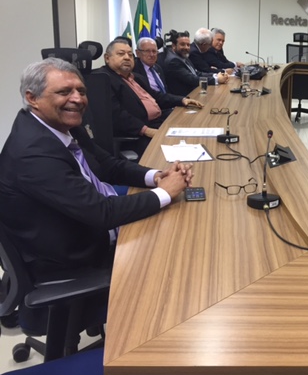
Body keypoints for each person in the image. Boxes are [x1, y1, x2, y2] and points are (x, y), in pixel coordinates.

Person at [0, 58, 192, 283]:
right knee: (180, 263)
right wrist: (165, 192)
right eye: (64, 92)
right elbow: (102, 213)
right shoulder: (32, 154)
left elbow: (109, 165)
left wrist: (157, 176)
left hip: (92, 222)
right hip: (75, 259)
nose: (78, 99)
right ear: (32, 98)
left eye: (81, 91)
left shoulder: (63, 125)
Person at [95, 39, 204, 158]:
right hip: (138, 135)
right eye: (121, 54)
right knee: (181, 155)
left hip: (158, 123)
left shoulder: (136, 78)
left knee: (196, 128)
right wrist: (146, 130)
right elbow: (117, 115)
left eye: (130, 55)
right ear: (107, 58)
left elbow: (157, 96)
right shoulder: (103, 80)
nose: (127, 57)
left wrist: (182, 100)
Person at [164, 30, 230, 96]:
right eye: (182, 44)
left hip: (193, 93)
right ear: (173, 46)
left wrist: (215, 75)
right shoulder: (174, 61)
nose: (186, 47)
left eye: (188, 45)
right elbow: (192, 79)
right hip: (184, 97)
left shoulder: (183, 56)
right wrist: (216, 79)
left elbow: (196, 73)